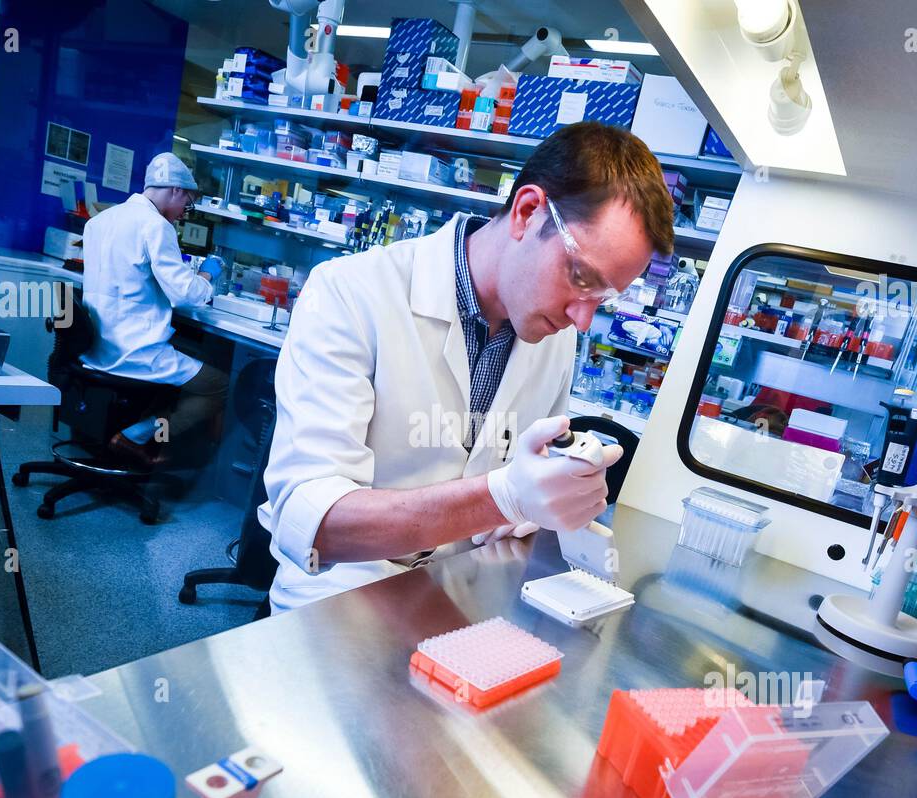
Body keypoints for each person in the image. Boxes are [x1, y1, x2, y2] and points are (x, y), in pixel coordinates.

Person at [260, 122, 675, 612]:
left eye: (602, 298)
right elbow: (316, 524)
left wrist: (544, 499)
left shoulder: (552, 336)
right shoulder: (349, 293)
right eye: (582, 276)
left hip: (460, 594)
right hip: (334, 600)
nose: (583, 320)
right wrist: (506, 496)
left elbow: (518, 492)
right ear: (527, 212)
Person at [80, 151, 229, 470]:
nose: (183, 213)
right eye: (186, 204)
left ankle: (138, 437)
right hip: (135, 352)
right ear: (175, 189)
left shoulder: (99, 221)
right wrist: (208, 274)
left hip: (96, 348)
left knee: (184, 358)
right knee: (218, 384)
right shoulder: (155, 226)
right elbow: (186, 295)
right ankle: (137, 436)